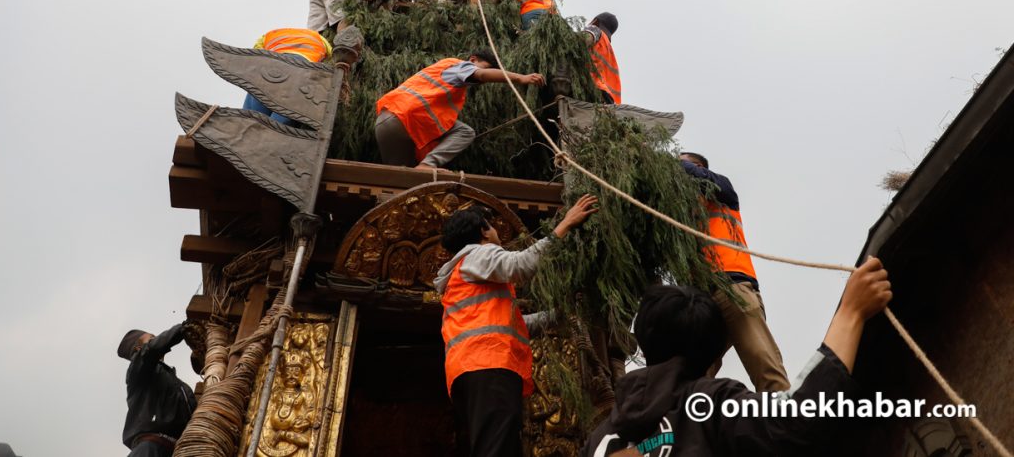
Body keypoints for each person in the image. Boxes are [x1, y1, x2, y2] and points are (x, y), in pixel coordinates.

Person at [583, 258, 892, 456]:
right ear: (716, 351)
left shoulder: (598, 440)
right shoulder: (709, 403)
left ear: (643, 340)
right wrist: (851, 313)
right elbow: (799, 421)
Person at [436, 195, 600, 457]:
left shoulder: (463, 276)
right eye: (492, 225)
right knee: (497, 448)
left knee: (496, 445)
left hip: (471, 370)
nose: (496, 232)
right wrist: (565, 225)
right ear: (483, 231)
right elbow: (520, 265)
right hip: (490, 365)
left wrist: (559, 314)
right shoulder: (478, 253)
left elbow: (515, 324)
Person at [679, 152, 790, 393]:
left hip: (733, 286)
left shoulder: (722, 191)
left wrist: (671, 163)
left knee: (763, 361)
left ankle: (784, 412)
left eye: (682, 161)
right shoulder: (679, 210)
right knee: (692, 375)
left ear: (699, 167)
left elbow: (700, 178)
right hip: (699, 298)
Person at [375, 49, 545, 169]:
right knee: (465, 132)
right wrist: (520, 78)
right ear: (473, 60)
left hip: (385, 122)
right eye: (486, 67)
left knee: (400, 179)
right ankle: (428, 164)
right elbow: (482, 74)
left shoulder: (443, 74)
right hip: (406, 119)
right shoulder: (459, 66)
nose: (484, 77)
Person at [117, 323, 198, 456]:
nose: (158, 339)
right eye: (152, 338)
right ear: (139, 349)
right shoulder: (138, 371)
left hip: (176, 451)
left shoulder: (174, 382)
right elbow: (151, 350)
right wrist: (185, 326)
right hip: (151, 448)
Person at [242, 28, 334, 124]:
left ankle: (249, 124)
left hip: (271, 66)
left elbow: (256, 56)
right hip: (301, 68)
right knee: (286, 111)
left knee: (254, 106)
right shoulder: (320, 39)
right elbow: (329, 60)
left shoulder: (268, 35)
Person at [583, 13, 621, 104]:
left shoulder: (595, 30)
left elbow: (578, 42)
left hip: (593, 90)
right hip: (610, 102)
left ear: (595, 21)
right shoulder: (610, 52)